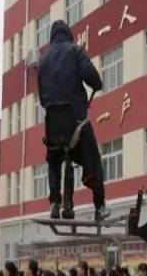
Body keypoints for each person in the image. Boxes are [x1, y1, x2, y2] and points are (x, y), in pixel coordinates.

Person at [37, 19, 110, 222]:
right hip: (76, 123)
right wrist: (95, 85)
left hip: (54, 126)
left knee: (53, 159)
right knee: (93, 158)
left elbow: (42, 99)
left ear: (52, 38)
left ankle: (54, 202)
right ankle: (100, 206)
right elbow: (93, 80)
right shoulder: (74, 51)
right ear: (68, 34)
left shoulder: (42, 62)